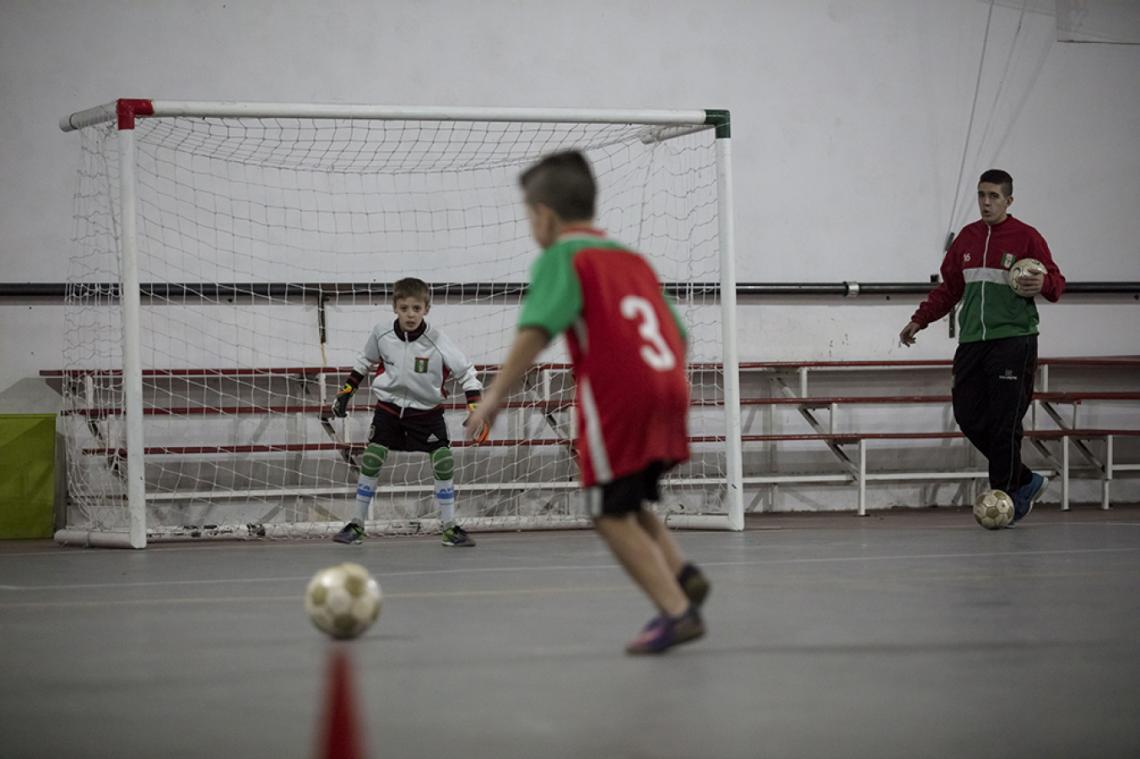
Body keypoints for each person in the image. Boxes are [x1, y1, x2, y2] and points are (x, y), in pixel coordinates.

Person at [464, 151, 710, 655]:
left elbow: (535, 333)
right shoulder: (630, 258)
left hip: (621, 397)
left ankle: (677, 612)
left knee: (604, 510)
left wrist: (491, 399)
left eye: (528, 214)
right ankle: (682, 573)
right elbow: (679, 335)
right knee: (628, 497)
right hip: (672, 386)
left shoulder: (562, 257)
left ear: (546, 216)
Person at [899, 169, 1065, 524]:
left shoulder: (1027, 237)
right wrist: (921, 318)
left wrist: (1044, 282)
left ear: (1008, 200)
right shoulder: (967, 239)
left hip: (1014, 340)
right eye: (981, 195)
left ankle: (1005, 499)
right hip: (973, 341)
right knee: (969, 416)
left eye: (993, 196)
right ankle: (1025, 479)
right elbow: (950, 288)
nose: (986, 202)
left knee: (1005, 423)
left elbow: (1056, 284)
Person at [330, 276, 488, 547]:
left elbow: (467, 374)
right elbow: (364, 361)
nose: (410, 314)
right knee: (372, 457)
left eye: (416, 308)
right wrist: (346, 392)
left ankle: (449, 527)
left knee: (443, 460)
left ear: (426, 309)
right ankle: (356, 524)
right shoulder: (381, 333)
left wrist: (475, 407)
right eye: (404, 308)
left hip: (426, 413)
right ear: (395, 307)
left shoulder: (438, 341)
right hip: (389, 410)